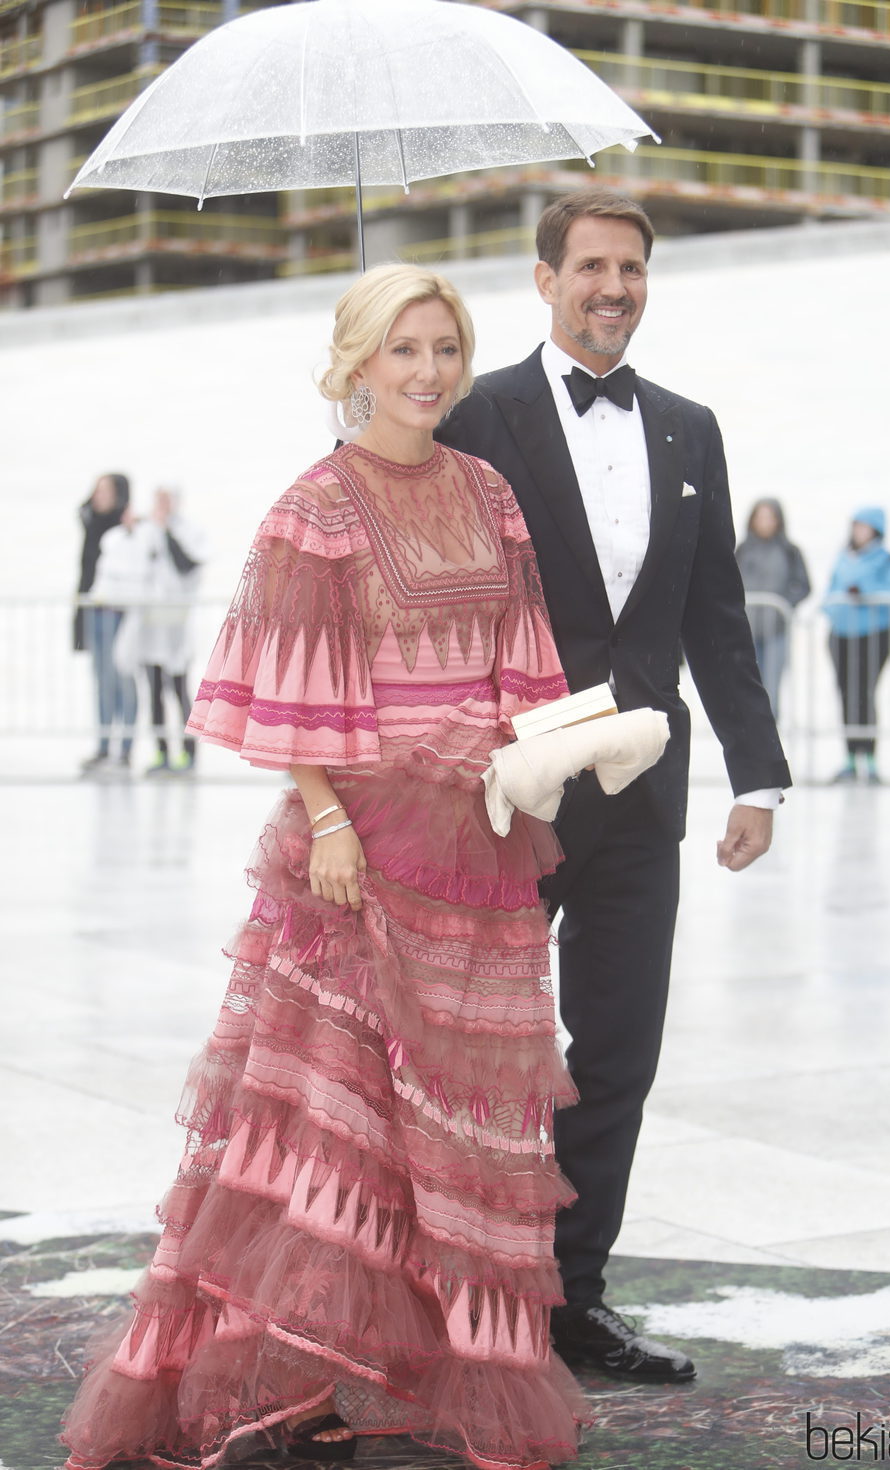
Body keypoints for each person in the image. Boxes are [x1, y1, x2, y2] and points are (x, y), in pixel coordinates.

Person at [61, 265, 588, 1470]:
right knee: (331, 1116)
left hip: (485, 848)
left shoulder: (491, 491)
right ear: (356, 361)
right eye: (403, 349)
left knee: (462, 1125)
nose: (427, 373)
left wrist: (515, 749)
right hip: (358, 854)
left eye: (444, 348)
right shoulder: (316, 509)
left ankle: (449, 1366)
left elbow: (523, 661)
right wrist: (331, 822)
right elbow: (290, 694)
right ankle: (296, 1369)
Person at [440, 187, 791, 1384]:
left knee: (618, 1052)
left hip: (642, 794)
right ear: (543, 280)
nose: (612, 288)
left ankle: (569, 1300)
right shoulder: (473, 414)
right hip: (506, 793)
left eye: (630, 268)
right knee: (477, 1054)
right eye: (589, 266)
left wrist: (760, 776)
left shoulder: (688, 426)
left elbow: (715, 616)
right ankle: (463, 1295)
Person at [823, 506, 890, 785]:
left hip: (873, 635)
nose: (859, 532)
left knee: (864, 694)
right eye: (856, 526)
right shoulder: (843, 557)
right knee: (845, 693)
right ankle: (849, 759)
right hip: (841, 635)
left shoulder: (887, 561)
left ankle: (870, 759)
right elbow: (829, 592)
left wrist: (863, 593)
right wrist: (834, 609)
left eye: (864, 526)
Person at [135, 488, 209, 776]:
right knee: (153, 689)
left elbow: (188, 565)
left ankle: (188, 753)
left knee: (178, 689)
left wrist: (166, 531)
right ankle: (161, 752)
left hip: (177, 623)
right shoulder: (146, 530)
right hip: (151, 623)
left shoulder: (187, 530)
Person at [74, 472, 136, 774]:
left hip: (116, 609)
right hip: (92, 606)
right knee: (100, 677)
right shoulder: (92, 521)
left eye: (105, 491)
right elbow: (82, 510)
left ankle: (124, 747)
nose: (98, 496)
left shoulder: (125, 529)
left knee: (120, 677)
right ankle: (102, 745)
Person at [735, 498, 810, 720]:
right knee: (745, 686)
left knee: (771, 688)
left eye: (769, 517)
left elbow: (803, 585)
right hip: (746, 630)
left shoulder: (790, 551)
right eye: (760, 517)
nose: (764, 522)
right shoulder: (743, 549)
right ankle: (748, 736)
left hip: (776, 630)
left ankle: (769, 740)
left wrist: (784, 605)